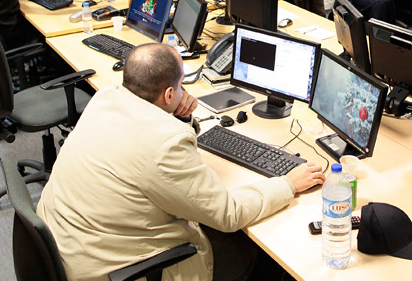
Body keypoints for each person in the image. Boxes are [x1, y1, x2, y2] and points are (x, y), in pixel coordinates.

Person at [36, 43, 325, 281]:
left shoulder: (106, 98)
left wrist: (180, 117)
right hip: (113, 269)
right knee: (252, 250)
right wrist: (288, 184)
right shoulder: (165, 144)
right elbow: (228, 214)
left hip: (67, 245)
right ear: (169, 94)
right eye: (181, 84)